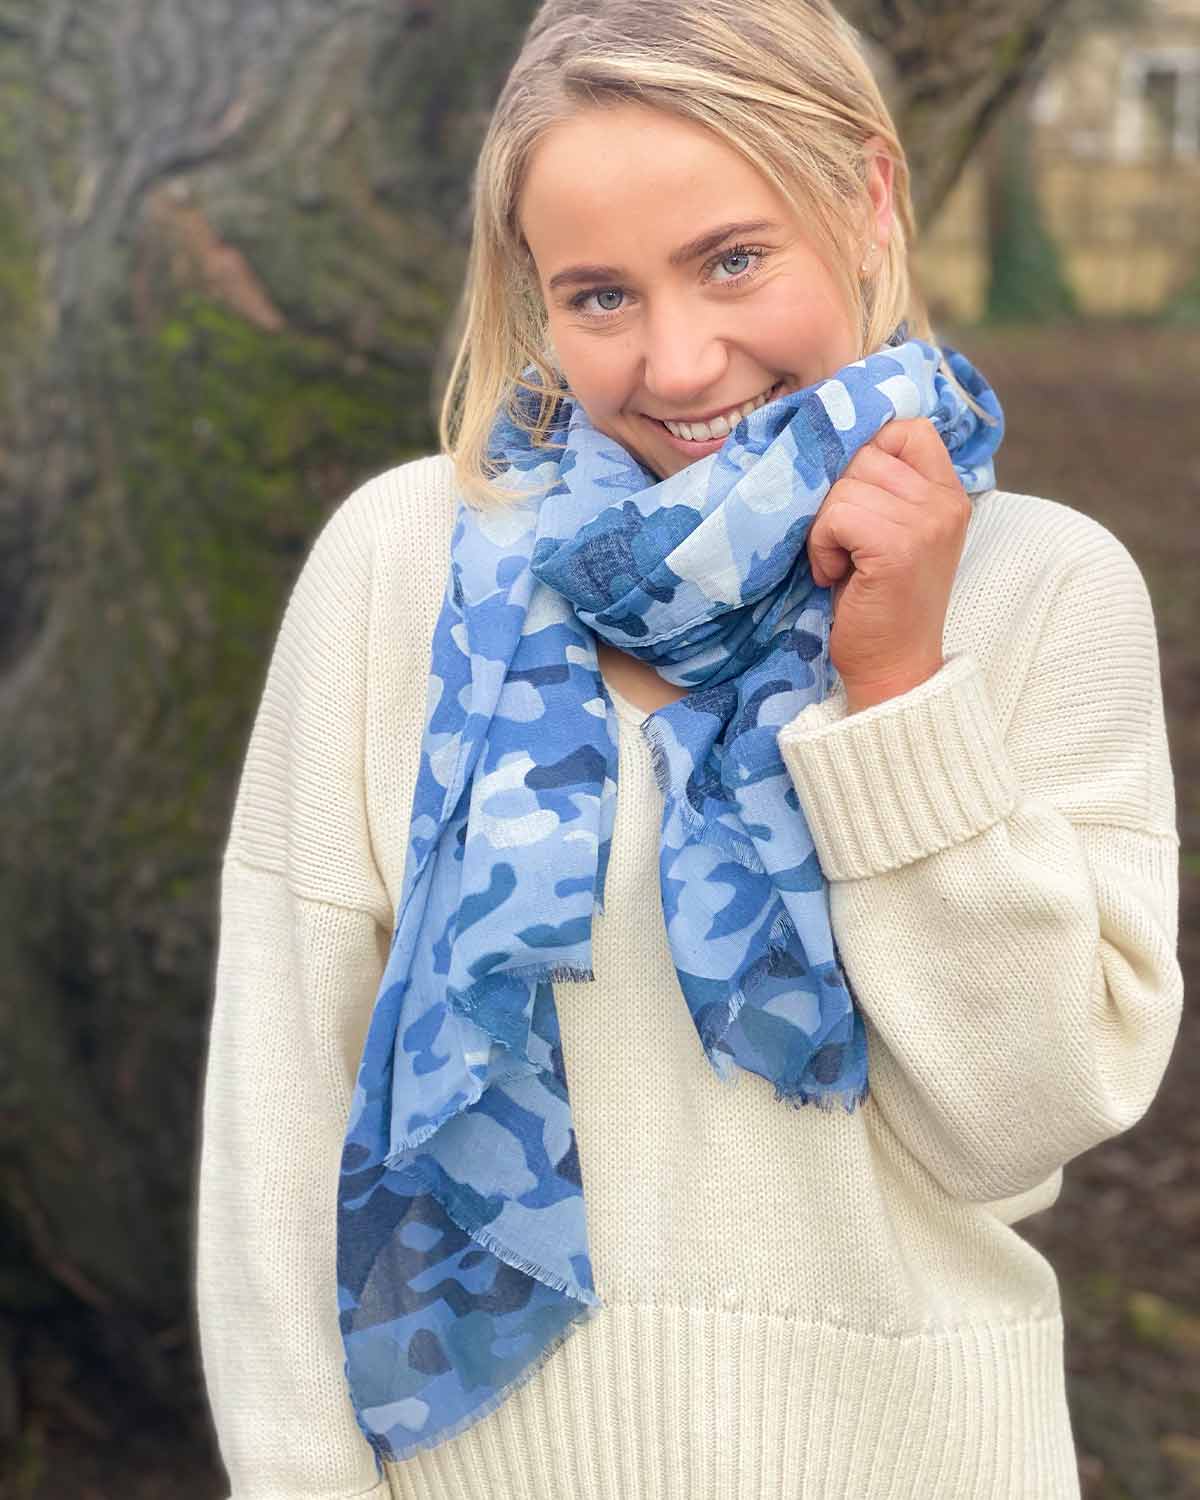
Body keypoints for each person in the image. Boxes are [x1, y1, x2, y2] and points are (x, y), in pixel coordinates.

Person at [194, 1, 1183, 1496]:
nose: (679, 360)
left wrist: (901, 691)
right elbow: (279, 1107)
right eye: (599, 296)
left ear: (865, 200)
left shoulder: (1043, 589)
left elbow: (1022, 1124)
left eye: (733, 260)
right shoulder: (404, 567)